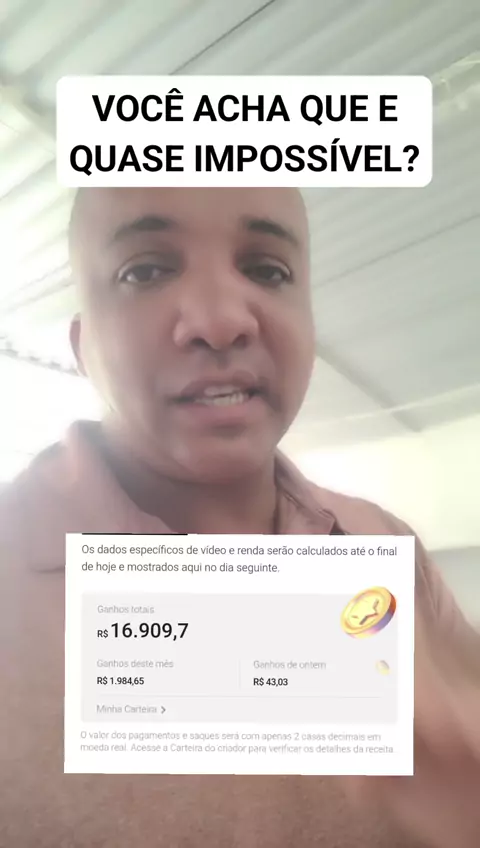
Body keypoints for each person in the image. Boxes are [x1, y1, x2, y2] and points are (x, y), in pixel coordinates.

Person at [0, 186, 478, 848]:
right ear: (83, 348)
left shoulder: (387, 544)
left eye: (268, 270)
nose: (221, 321)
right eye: (145, 270)